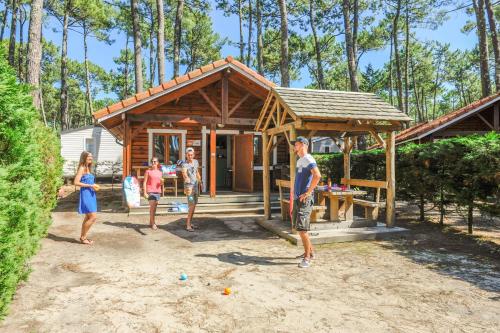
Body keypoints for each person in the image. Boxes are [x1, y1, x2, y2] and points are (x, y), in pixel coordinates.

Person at [291, 137, 321, 268]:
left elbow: (317, 175)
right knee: (299, 228)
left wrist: (308, 192)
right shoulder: (300, 161)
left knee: (303, 230)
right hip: (298, 198)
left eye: (296, 144)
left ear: (303, 145)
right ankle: (310, 252)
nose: (294, 147)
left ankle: (307, 258)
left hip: (305, 200)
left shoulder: (309, 159)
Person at [74, 151, 99, 245]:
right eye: (89, 157)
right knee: (93, 217)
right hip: (86, 194)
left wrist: (93, 186)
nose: (91, 158)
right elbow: (76, 182)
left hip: (91, 194)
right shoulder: (82, 168)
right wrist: (90, 185)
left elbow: (90, 183)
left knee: (88, 216)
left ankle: (83, 237)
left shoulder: (88, 168)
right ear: (84, 157)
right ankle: (83, 237)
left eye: (91, 157)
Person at [181, 147, 201, 232]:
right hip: (189, 188)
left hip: (196, 186)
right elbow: (184, 173)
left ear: (193, 155)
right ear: (186, 155)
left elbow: (196, 172)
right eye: (188, 155)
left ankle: (191, 223)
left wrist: (201, 181)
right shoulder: (184, 164)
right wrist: (186, 178)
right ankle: (188, 225)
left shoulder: (196, 162)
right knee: (191, 205)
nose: (190, 156)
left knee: (194, 205)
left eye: (191, 155)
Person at [143, 157, 163, 230]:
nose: (153, 163)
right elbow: (144, 182)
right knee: (152, 208)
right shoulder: (148, 171)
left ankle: (150, 222)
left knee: (154, 209)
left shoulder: (160, 172)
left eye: (155, 162)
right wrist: (145, 192)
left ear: (157, 163)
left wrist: (162, 183)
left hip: (158, 191)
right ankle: (153, 223)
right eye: (152, 162)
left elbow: (160, 183)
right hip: (150, 191)